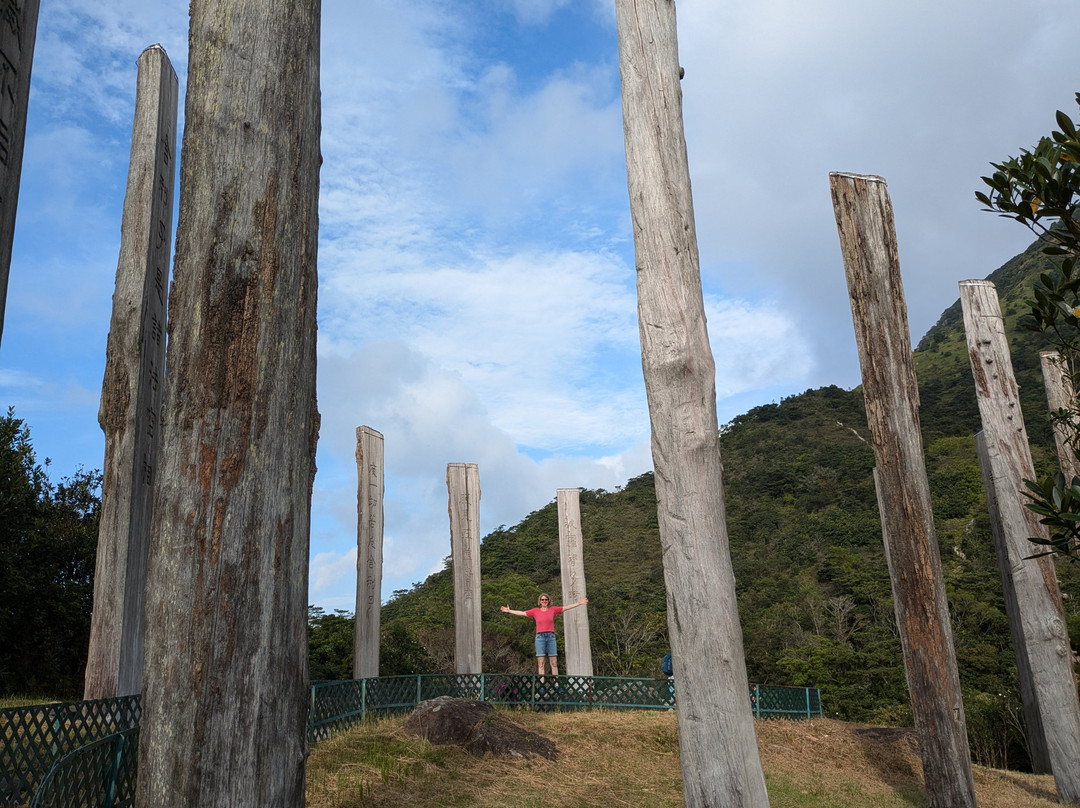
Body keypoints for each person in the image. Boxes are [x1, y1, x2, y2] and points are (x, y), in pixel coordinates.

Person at [501, 594, 588, 677]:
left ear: (549, 601)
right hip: (540, 637)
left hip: (551, 637)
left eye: (546, 599)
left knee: (553, 662)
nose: (544, 601)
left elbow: (566, 608)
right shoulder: (535, 611)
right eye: (542, 599)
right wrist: (509, 611)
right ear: (540, 601)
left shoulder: (553, 610)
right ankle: (542, 685)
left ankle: (556, 684)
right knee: (541, 662)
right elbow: (523, 613)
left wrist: (579, 603)